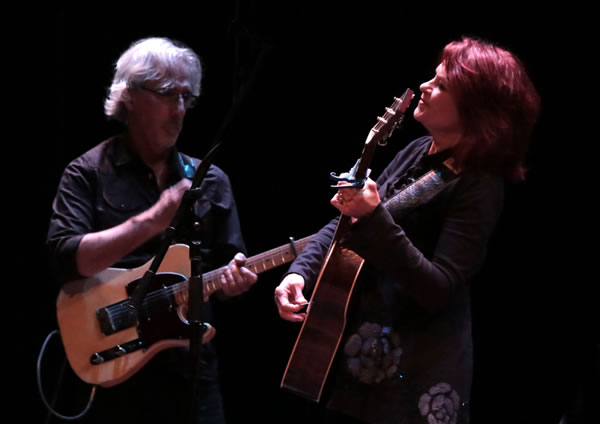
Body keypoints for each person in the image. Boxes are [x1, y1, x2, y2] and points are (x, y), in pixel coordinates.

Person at [274, 36, 540, 424]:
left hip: (416, 374)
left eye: (443, 85)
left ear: (475, 108)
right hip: (361, 354)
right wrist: (300, 272)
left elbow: (439, 288)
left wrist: (375, 216)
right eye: (434, 77)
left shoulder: (480, 184)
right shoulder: (416, 151)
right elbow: (346, 219)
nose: (426, 87)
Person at [47, 37, 257, 423]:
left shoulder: (210, 181)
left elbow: (230, 269)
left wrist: (235, 281)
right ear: (129, 95)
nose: (179, 111)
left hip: (191, 373)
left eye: (186, 97)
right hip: (112, 371)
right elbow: (66, 260)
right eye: (166, 94)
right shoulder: (87, 173)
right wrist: (152, 221)